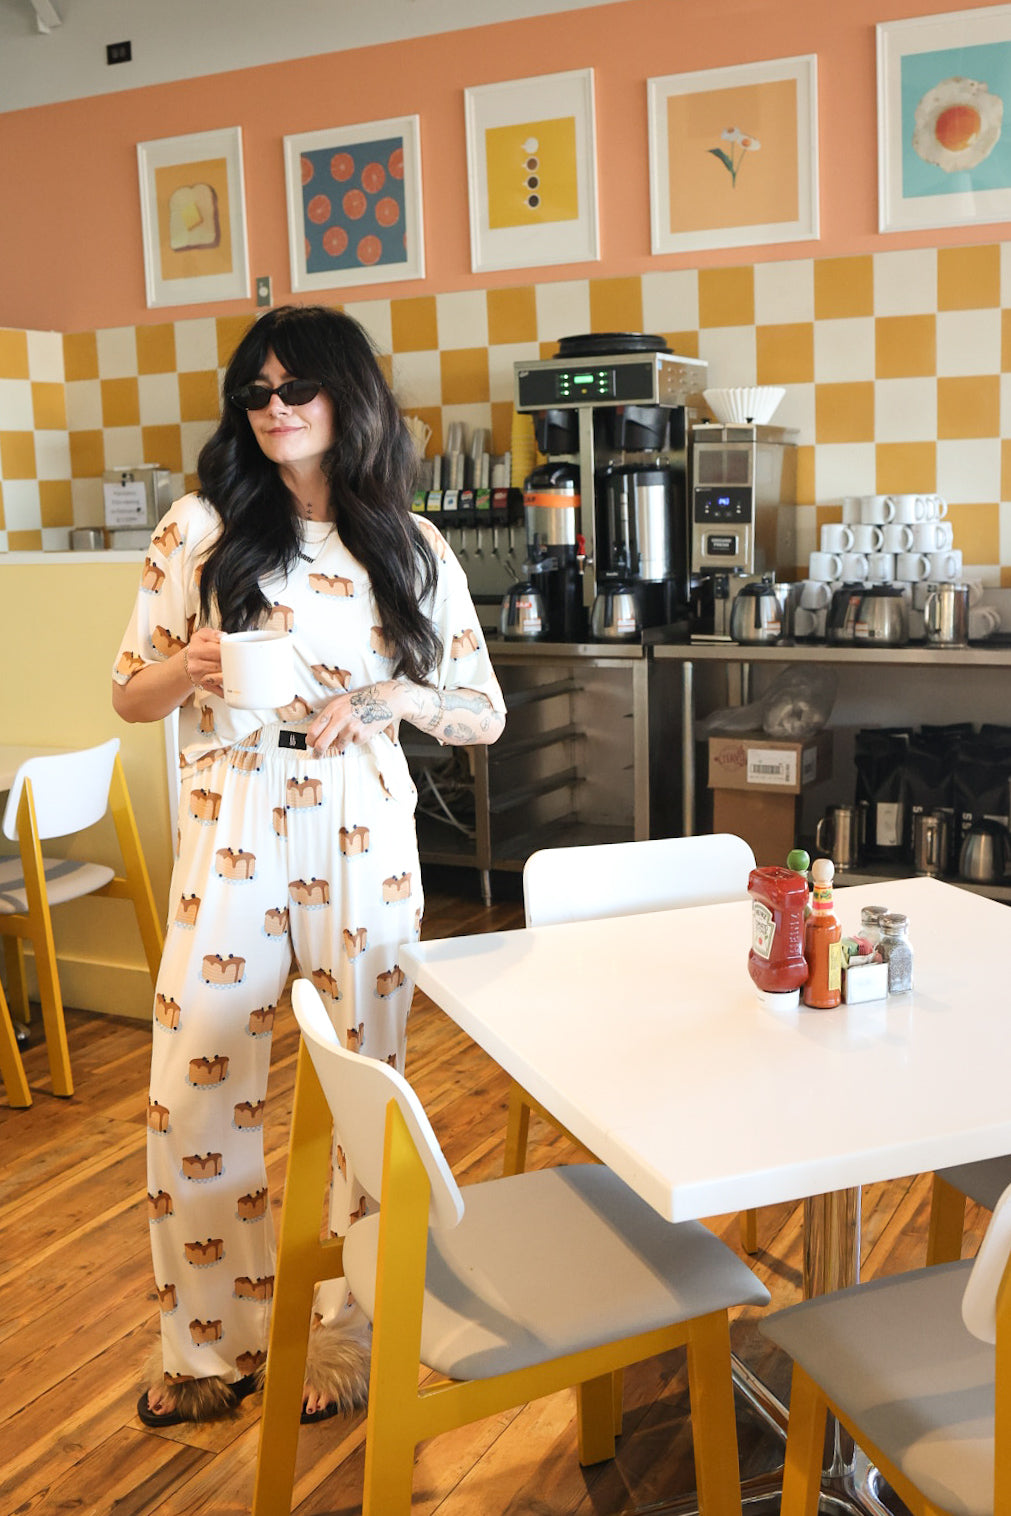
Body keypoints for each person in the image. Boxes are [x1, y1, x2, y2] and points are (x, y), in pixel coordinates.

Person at [112, 305, 505, 1428]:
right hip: (231, 801)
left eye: (298, 387)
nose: (275, 407)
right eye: (257, 391)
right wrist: (190, 668)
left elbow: (481, 713)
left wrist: (392, 697)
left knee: (365, 1082)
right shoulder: (198, 527)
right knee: (193, 1075)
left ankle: (344, 1332)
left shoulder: (409, 543)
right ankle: (207, 1346)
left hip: (359, 813)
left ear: (349, 396)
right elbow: (127, 694)